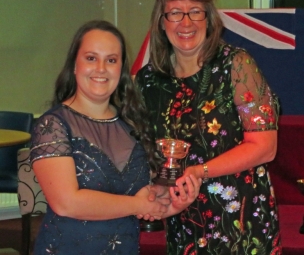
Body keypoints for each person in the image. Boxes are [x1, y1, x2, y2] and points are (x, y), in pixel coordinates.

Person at [135, 0, 282, 255]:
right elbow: (144, 153)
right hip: (183, 222)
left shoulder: (237, 66)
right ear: (162, 21)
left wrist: (199, 171)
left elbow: (266, 147)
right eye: (175, 12)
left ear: (209, 17)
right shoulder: (147, 81)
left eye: (195, 11)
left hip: (240, 223)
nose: (186, 23)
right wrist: (156, 192)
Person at [29, 20, 201, 254]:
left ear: (120, 70)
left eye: (111, 60)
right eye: (91, 58)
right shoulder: (52, 125)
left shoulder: (132, 126)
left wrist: (174, 204)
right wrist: (137, 204)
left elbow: (144, 201)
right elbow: (66, 202)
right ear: (74, 66)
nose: (101, 68)